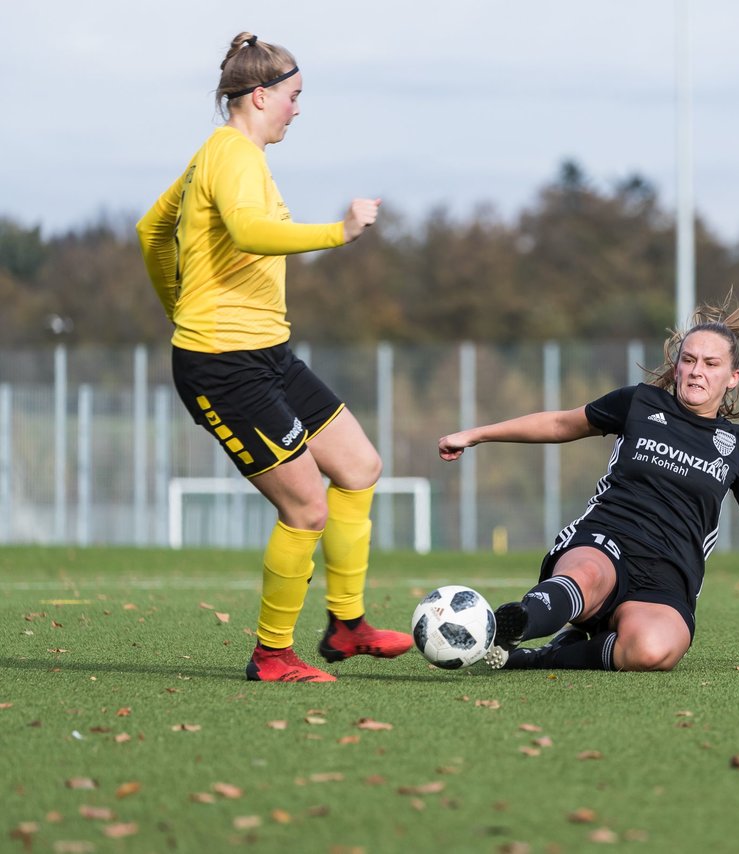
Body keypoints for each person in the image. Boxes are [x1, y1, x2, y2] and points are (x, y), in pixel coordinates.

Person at [137, 32, 413, 683]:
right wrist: (338, 233)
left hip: (267, 353)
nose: (297, 109)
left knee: (358, 465)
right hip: (221, 364)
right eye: (293, 97)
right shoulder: (232, 155)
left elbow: (152, 230)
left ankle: (346, 626)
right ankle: (271, 655)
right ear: (260, 95)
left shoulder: (226, 155)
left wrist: (175, 300)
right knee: (306, 508)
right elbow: (248, 231)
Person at [437, 288, 739, 672]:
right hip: (607, 539)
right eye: (689, 360)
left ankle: (542, 655)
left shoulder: (738, 446)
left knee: (653, 650)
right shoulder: (640, 403)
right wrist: (477, 434)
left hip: (670, 572)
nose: (697, 371)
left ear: (732, 378)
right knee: (585, 576)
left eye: (711, 364)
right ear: (677, 367)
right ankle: (511, 624)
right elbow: (559, 424)